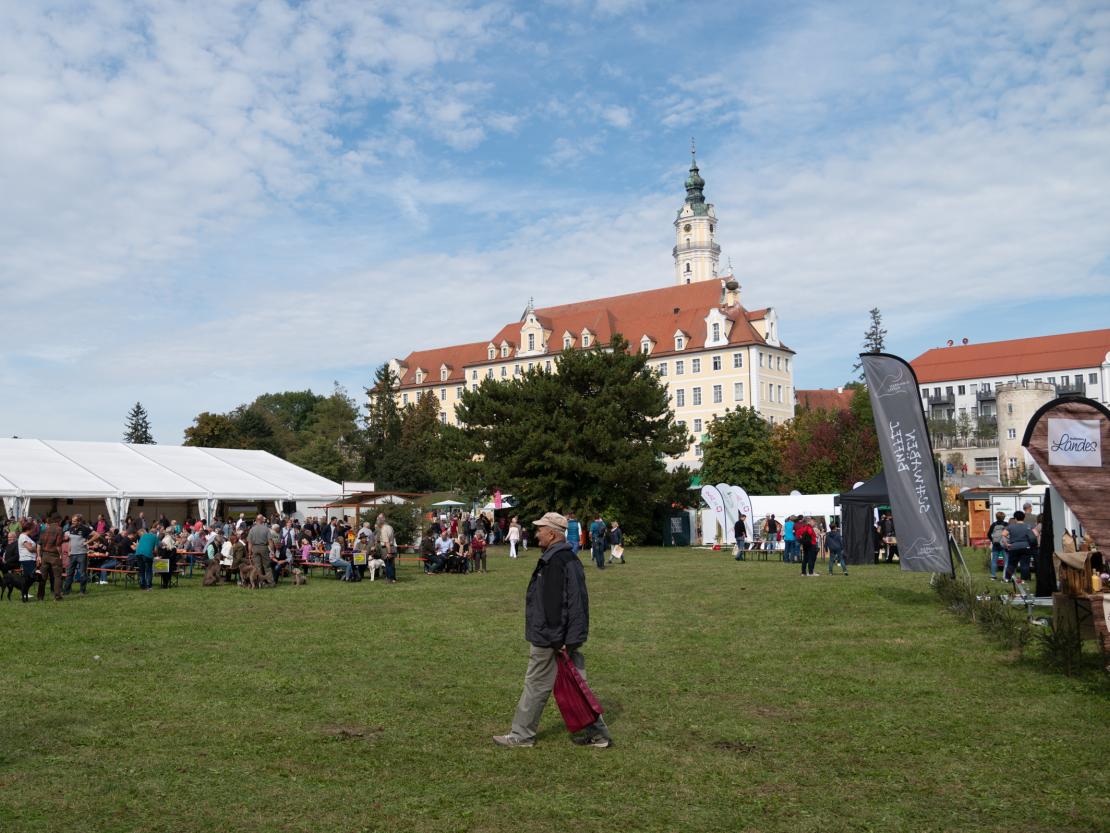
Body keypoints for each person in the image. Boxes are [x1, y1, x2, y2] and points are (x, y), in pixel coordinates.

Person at [492, 512, 611, 749]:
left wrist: (558, 640)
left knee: (536, 684)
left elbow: (557, 604)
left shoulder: (556, 561)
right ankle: (598, 735)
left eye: (540, 530)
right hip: (563, 635)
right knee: (576, 685)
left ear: (552, 533)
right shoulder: (564, 558)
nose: (536, 534)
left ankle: (521, 735)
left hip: (551, 636)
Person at [1002, 510, 1037, 582]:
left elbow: (1003, 535)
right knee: (1025, 564)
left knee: (1011, 564)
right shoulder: (1028, 526)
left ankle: (1007, 578)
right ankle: (1024, 579)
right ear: (1023, 518)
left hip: (1014, 547)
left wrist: (1006, 544)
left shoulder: (1010, 527)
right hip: (1026, 547)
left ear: (1015, 518)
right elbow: (1036, 534)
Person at [37, 513, 66, 601]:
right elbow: (58, 545)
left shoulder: (45, 529)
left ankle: (40, 596)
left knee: (43, 577)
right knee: (57, 576)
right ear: (58, 520)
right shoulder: (59, 529)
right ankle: (57, 596)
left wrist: (38, 556)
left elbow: (39, 544)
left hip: (44, 555)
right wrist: (61, 555)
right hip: (54, 555)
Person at [63, 513, 93, 595]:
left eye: (74, 521)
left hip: (82, 554)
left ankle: (82, 591)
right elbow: (70, 541)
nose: (72, 522)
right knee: (69, 573)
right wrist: (69, 550)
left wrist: (87, 542)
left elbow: (96, 535)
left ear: (79, 521)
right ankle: (66, 591)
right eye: (72, 521)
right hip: (72, 554)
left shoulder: (85, 529)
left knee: (82, 573)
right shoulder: (71, 528)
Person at [134, 525, 161, 591]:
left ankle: (142, 586)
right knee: (148, 570)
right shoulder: (155, 537)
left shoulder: (143, 536)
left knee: (142, 570)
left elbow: (139, 545)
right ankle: (149, 586)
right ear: (155, 533)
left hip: (138, 553)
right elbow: (155, 550)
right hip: (147, 554)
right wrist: (156, 554)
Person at [18, 521, 39, 602]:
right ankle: (24, 592)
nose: (34, 530)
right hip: (27, 559)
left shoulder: (27, 537)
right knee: (30, 578)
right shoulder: (23, 537)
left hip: (30, 559)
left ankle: (25, 592)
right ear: (29, 529)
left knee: (28, 578)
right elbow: (30, 549)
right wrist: (38, 548)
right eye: (33, 528)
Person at [985, 511, 1008, 580]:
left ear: (996, 517)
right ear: (1003, 517)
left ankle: (993, 576)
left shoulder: (994, 524)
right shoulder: (1006, 524)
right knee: (1006, 560)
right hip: (1004, 544)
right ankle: (1005, 576)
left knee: (994, 560)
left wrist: (992, 540)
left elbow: (988, 534)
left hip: (995, 544)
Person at [376, 515, 397, 583]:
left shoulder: (384, 529)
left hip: (387, 548)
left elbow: (386, 542)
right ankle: (393, 578)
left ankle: (389, 579)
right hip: (392, 546)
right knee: (392, 564)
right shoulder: (390, 527)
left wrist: (389, 552)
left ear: (379, 523)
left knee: (388, 564)